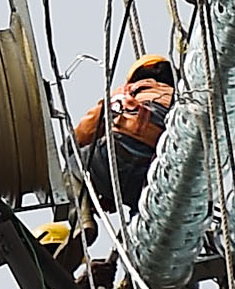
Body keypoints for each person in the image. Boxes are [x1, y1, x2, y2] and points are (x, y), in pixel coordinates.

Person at [73, 53, 178, 209]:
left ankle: (83, 215)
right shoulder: (179, 101)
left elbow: (84, 133)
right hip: (149, 173)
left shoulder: (127, 91)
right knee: (144, 210)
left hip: (116, 154)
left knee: (74, 161)